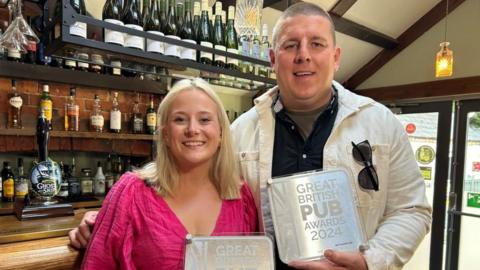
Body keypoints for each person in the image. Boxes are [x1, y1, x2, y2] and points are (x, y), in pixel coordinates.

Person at [71, 2, 432, 270]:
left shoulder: (380, 123)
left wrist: (372, 261)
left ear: (336, 56)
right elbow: (188, 188)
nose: (303, 56)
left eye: (316, 44)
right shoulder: (240, 131)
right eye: (291, 45)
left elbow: (412, 210)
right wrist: (105, 221)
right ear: (273, 58)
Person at [77, 78, 258, 269]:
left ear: (221, 132)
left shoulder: (241, 197)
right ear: (165, 133)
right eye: (180, 119)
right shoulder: (131, 192)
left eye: (204, 119)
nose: (193, 130)